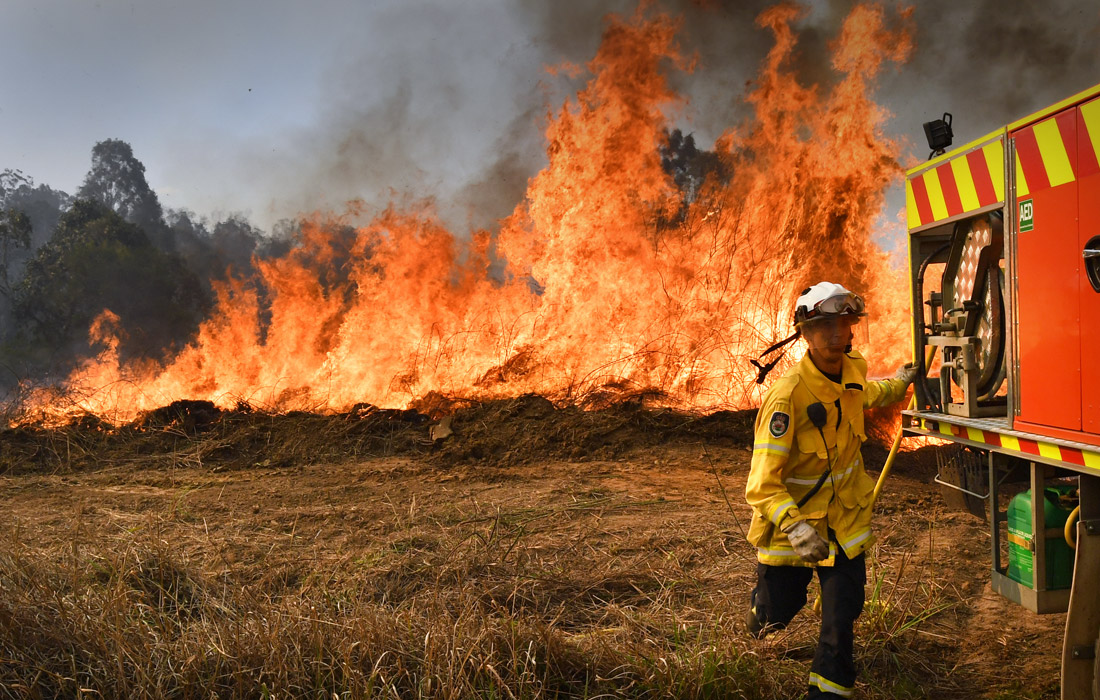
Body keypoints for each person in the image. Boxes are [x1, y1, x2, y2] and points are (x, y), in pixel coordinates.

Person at [744, 281, 916, 699]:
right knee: (777, 614)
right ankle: (761, 610)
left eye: (845, 325)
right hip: (797, 529)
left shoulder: (851, 370)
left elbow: (864, 394)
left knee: (842, 616)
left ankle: (827, 692)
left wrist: (900, 382)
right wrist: (795, 527)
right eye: (826, 328)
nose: (837, 336)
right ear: (805, 333)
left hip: (844, 523)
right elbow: (761, 483)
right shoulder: (787, 398)